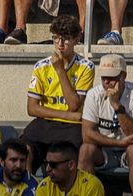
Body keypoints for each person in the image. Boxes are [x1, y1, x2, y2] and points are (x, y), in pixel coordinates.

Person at [22, 15, 94, 168]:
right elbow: (32, 108)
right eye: (56, 38)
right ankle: (27, 187)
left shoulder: (86, 67)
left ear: (76, 39)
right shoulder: (40, 66)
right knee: (23, 149)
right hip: (48, 122)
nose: (60, 44)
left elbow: (74, 105)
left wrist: (60, 70)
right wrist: (66, 114)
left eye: (66, 38)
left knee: (68, 158)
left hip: (72, 126)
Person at [78, 55, 133, 196]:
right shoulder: (94, 95)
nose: (107, 82)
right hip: (107, 150)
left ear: (123, 76)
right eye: (103, 77)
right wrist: (119, 143)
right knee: (85, 150)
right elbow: (87, 135)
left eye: (112, 78)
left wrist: (117, 106)